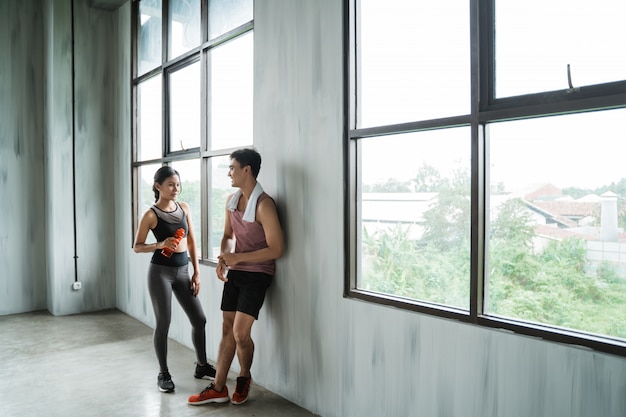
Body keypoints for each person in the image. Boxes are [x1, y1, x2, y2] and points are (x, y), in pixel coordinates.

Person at [188, 148, 284, 406]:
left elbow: (277, 248)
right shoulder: (232, 200)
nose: (228, 172)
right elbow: (229, 237)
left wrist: (238, 259)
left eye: (232, 167)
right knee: (227, 329)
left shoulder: (264, 205)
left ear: (247, 170)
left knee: (241, 333)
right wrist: (224, 257)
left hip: (258, 274)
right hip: (237, 272)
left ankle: (244, 376)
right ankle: (219, 387)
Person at [133, 165, 216, 393]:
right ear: (158, 186)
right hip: (160, 272)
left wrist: (196, 272)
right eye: (170, 184)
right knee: (164, 323)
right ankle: (163, 373)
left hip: (183, 272)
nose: (175, 188)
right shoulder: (151, 214)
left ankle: (201, 365)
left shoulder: (184, 208)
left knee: (199, 319)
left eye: (178, 184)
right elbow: (137, 246)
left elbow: (191, 242)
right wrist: (160, 244)